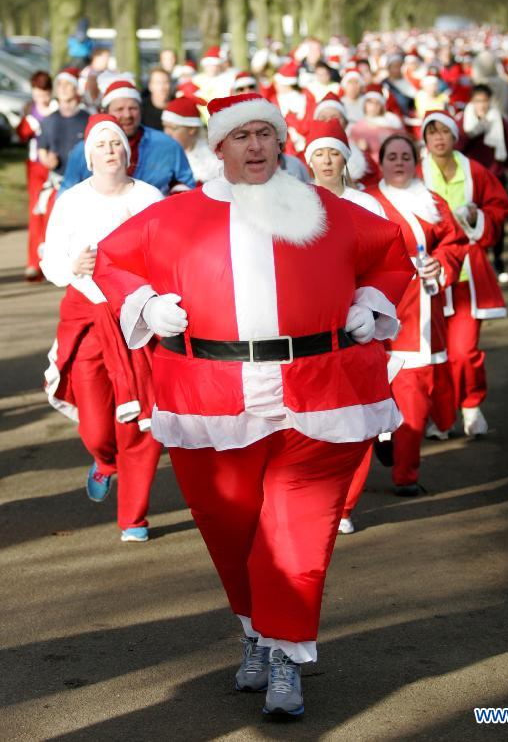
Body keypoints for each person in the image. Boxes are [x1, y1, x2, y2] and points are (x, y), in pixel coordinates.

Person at [93, 92, 413, 719]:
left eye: (267, 134)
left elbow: (392, 254)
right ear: (219, 147)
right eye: (243, 137)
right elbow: (112, 261)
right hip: (209, 400)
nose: (257, 146)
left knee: (297, 533)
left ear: (281, 141)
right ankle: (256, 633)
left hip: (321, 395)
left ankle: (287, 656)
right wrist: (147, 305)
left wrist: (371, 302)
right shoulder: (173, 217)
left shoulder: (328, 211)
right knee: (230, 528)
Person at [40, 114, 163, 541]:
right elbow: (50, 256)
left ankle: (134, 517)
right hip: (87, 314)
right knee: (96, 423)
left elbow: (168, 254)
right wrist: (71, 266)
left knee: (140, 422)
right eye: (102, 145)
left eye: (116, 144)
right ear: (89, 156)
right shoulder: (71, 199)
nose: (110, 150)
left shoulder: (149, 197)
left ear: (127, 155)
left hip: (137, 318)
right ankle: (104, 461)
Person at [367, 133, 468, 493]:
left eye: (405, 156)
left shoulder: (432, 200)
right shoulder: (367, 201)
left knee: (414, 391)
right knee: (371, 388)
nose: (398, 162)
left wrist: (440, 263)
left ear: (415, 161)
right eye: (391, 156)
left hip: (422, 310)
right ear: (380, 161)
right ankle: (381, 438)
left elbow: (455, 242)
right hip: (374, 308)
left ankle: (406, 474)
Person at [304, 119, 385, 533]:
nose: (326, 160)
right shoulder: (295, 203)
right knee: (315, 417)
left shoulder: (366, 205)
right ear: (307, 160)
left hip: (358, 320)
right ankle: (317, 499)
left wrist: (369, 309)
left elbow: (386, 261)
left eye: (333, 152)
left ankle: (345, 505)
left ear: (345, 158)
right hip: (311, 326)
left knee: (359, 414)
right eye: (318, 153)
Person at [421, 111, 508, 437]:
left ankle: (471, 405)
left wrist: (479, 216)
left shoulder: (475, 170)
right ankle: (441, 418)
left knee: (464, 352)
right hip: (431, 276)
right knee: (434, 355)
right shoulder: (417, 173)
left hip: (468, 276)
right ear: (425, 139)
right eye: (432, 133)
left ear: (455, 135)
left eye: (444, 131)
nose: (439, 138)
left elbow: (500, 207)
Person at [60, 79, 195, 195]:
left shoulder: (167, 146)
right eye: (119, 109)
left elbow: (187, 187)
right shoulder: (84, 151)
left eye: (133, 108)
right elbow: (65, 196)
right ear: (105, 112)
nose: (127, 115)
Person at [456, 83, 508, 282]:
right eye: (477, 101)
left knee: (496, 220)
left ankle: (498, 259)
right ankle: (481, 262)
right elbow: (457, 146)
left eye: (485, 101)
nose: (481, 105)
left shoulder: (499, 120)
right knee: (473, 220)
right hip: (471, 179)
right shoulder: (463, 121)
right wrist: (474, 132)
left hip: (496, 177)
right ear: (472, 102)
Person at [16, 71, 57, 281]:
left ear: (50, 91)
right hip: (35, 168)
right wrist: (28, 125)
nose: (40, 95)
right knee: (36, 214)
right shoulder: (29, 110)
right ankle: (33, 263)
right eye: (36, 90)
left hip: (56, 166)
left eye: (44, 90)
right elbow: (20, 135)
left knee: (54, 214)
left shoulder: (58, 109)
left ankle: (53, 262)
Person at [38, 68, 90, 177]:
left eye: (67, 84)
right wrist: (48, 161)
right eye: (59, 84)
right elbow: (42, 149)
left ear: (76, 89)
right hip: (57, 180)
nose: (63, 88)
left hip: (83, 181)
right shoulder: (49, 120)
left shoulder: (88, 119)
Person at [161, 97, 221, 184]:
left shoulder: (211, 162)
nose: (167, 133)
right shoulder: (160, 152)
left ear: (192, 129)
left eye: (173, 128)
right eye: (165, 126)